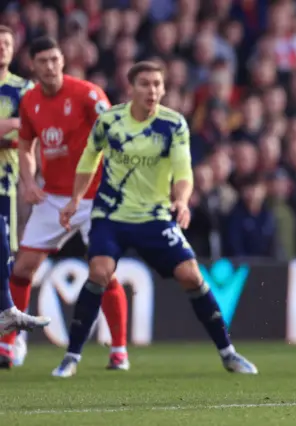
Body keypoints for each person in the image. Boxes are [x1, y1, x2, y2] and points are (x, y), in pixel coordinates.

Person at [52, 61, 258, 378]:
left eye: (157, 84)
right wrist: (76, 200)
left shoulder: (173, 124)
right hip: (112, 215)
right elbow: (89, 159)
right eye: (145, 84)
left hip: (155, 218)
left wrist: (181, 200)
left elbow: (183, 170)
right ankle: (71, 356)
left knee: (191, 275)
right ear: (131, 88)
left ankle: (228, 353)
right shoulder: (110, 121)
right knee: (99, 271)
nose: (152, 90)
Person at [1, 37, 130, 370]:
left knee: (103, 271)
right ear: (33, 65)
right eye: (43, 60)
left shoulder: (87, 93)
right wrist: (29, 183)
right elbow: (26, 148)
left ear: (63, 60)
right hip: (54, 195)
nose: (50, 66)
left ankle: (119, 349)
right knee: (22, 268)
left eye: (55, 59)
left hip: (94, 195)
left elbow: (113, 132)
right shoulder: (30, 101)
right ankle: (8, 344)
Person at [0, 26, 51, 346]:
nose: (2, 48)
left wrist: (17, 129)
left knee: (5, 254)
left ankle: (8, 333)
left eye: (6, 43)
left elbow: (33, 134)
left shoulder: (25, 89)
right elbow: (20, 131)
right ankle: (7, 315)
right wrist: (14, 126)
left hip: (7, 184)